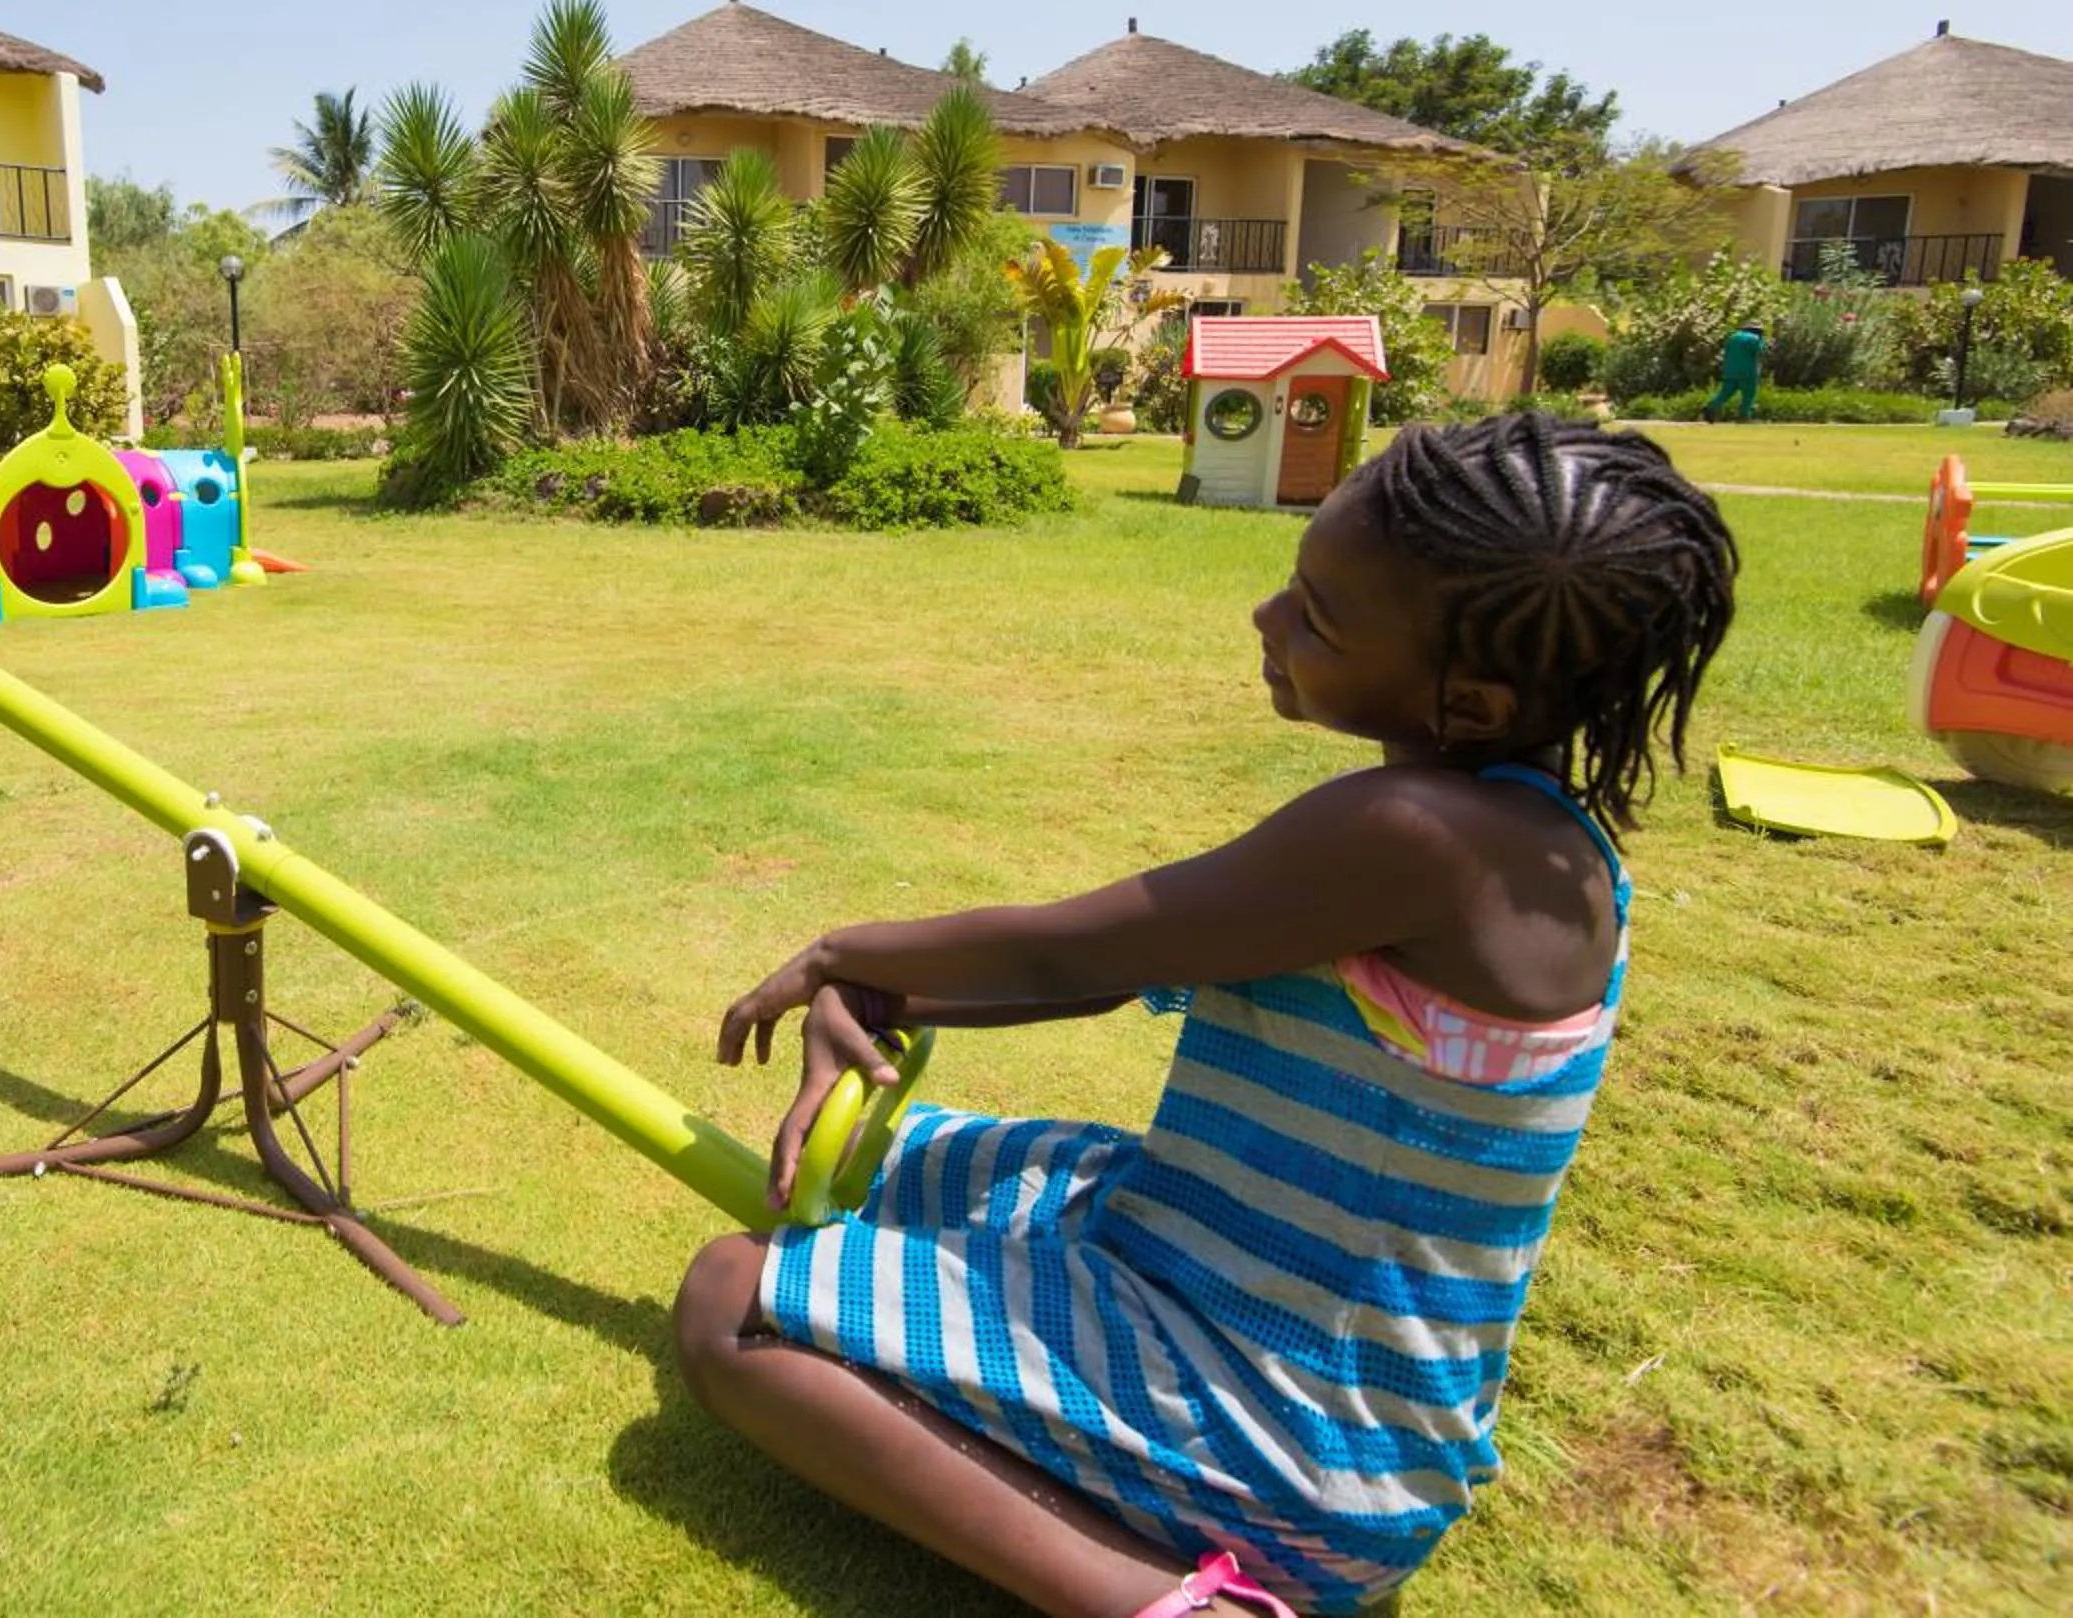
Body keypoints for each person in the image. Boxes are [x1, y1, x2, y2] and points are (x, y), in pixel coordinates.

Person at [675, 414, 1739, 1617]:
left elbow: (1078, 945)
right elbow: (1120, 970)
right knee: (901, 1171)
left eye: (1317, 617)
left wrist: (839, 953)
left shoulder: (1414, 838)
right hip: (1235, 1287)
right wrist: (884, 997)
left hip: (1286, 1432)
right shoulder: (1519, 837)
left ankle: (1165, 1600)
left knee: (731, 1300)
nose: (1266, 617)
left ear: (1477, 701)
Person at [1701, 320, 1765, 422]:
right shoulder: (1755, 338)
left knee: (1724, 394)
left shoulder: (1733, 337)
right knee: (1748, 396)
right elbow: (1759, 354)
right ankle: (1744, 416)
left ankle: (1711, 407)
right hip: (1747, 371)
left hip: (1730, 371)